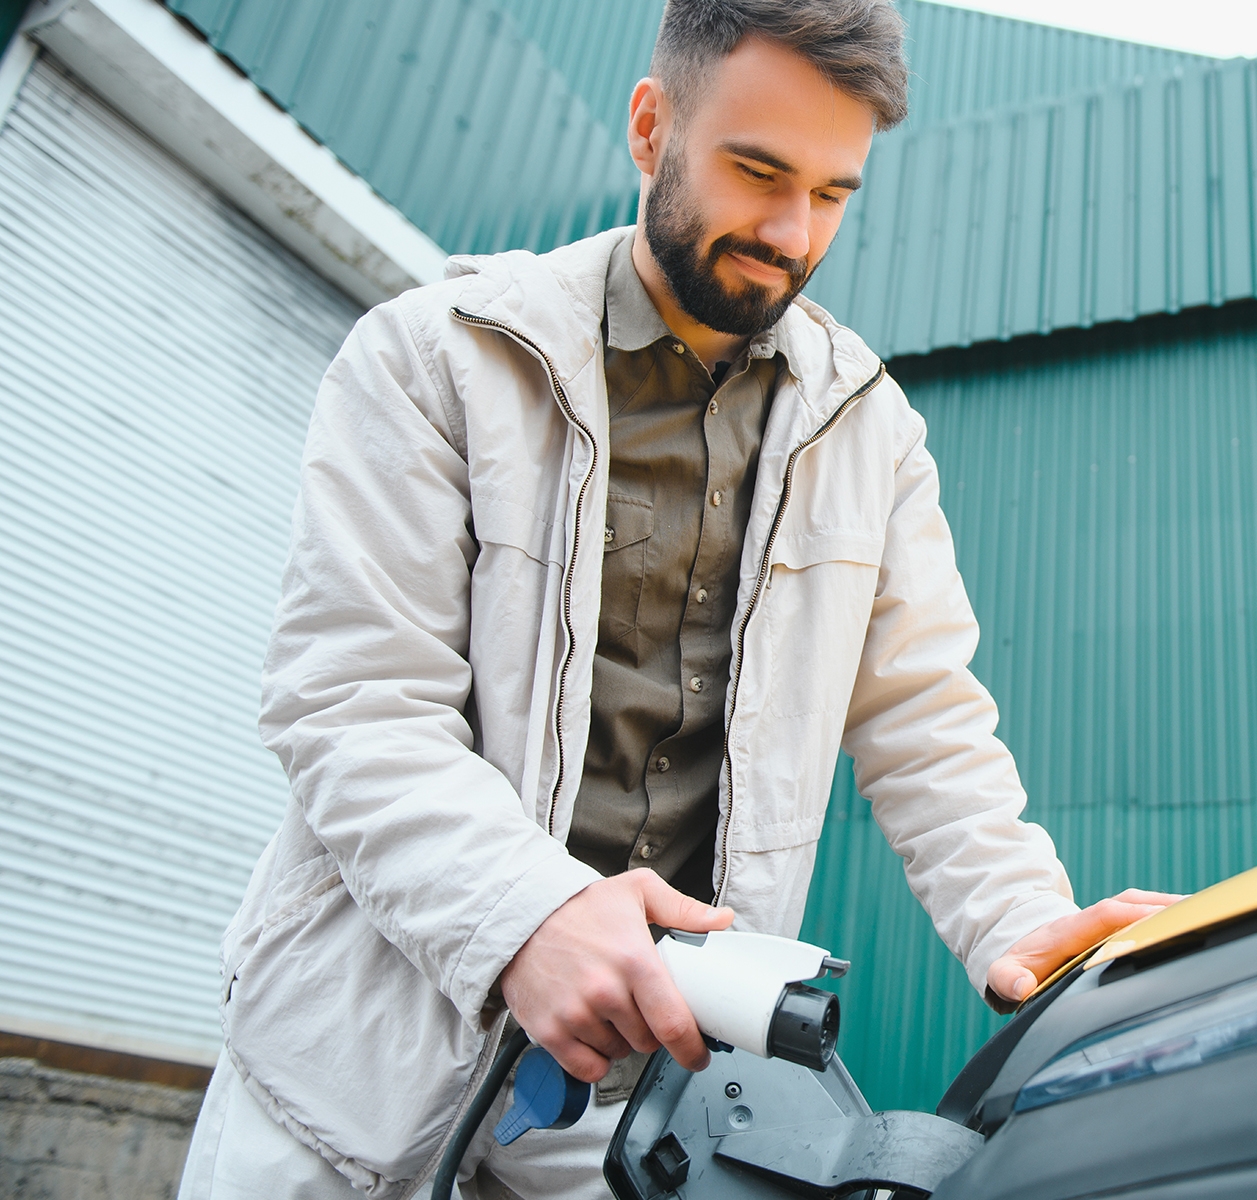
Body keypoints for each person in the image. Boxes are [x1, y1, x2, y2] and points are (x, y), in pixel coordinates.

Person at [174, 2, 1174, 1196]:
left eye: (833, 192)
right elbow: (350, 705)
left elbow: (925, 720)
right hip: (353, 1071)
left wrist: (1016, 918)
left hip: (638, 1100)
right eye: (756, 172)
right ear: (652, 127)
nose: (792, 232)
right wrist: (527, 919)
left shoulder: (869, 428)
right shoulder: (432, 357)